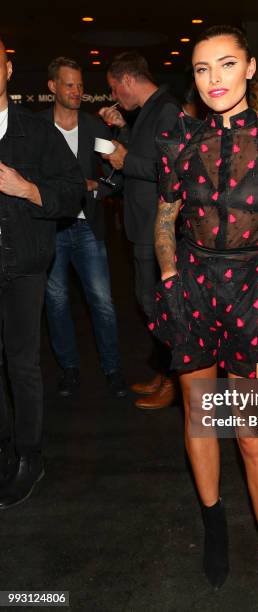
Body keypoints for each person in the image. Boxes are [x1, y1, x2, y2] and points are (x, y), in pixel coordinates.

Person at [153, 25, 258, 611]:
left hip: (253, 290)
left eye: (225, 65)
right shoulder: (179, 139)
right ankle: (215, 524)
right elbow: (164, 219)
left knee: (252, 437)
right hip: (192, 289)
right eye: (201, 69)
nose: (214, 79)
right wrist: (170, 279)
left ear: (249, 69)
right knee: (200, 419)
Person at [0, 40, 85, 508]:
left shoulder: (36, 132)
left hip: (25, 266)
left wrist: (27, 188)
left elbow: (72, 193)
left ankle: (30, 456)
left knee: (22, 363)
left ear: (8, 69)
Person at [98, 52, 181, 409]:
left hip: (156, 227)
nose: (116, 97)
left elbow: (171, 168)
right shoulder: (149, 110)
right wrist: (121, 130)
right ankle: (165, 374)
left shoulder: (166, 109)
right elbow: (147, 151)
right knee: (151, 304)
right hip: (143, 223)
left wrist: (123, 160)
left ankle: (177, 382)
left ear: (128, 80)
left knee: (158, 306)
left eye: (116, 89)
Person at [41, 57, 127, 398]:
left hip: (88, 228)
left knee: (102, 303)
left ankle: (113, 369)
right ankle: (69, 370)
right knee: (57, 304)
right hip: (51, 229)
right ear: (53, 87)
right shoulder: (38, 129)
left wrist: (98, 188)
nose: (77, 91)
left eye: (79, 85)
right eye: (69, 85)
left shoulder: (93, 128)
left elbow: (117, 170)